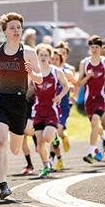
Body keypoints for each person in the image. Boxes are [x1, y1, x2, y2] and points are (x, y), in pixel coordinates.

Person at [0, 12, 42, 199]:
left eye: (19, 27)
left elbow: (40, 79)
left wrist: (31, 72)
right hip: (0, 100)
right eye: (12, 28)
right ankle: (3, 185)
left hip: (19, 102)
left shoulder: (29, 52)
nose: (16, 31)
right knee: (1, 141)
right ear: (5, 32)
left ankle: (21, 141)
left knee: (15, 149)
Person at [77, 35, 105, 164]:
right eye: (92, 47)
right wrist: (88, 76)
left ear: (100, 48)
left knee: (95, 120)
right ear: (89, 48)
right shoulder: (85, 63)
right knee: (95, 125)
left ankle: (91, 152)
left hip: (102, 98)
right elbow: (80, 83)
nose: (94, 49)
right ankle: (104, 135)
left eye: (96, 47)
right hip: (89, 100)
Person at [31, 44, 69, 177]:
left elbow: (66, 86)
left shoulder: (56, 71)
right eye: (40, 55)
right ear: (37, 56)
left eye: (45, 55)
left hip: (52, 110)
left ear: (50, 57)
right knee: (39, 144)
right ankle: (46, 164)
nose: (43, 57)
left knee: (47, 138)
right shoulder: (34, 72)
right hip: (38, 110)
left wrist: (59, 96)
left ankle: (55, 137)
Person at [50, 49, 77, 158]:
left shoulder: (66, 73)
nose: (54, 61)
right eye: (52, 59)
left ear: (61, 61)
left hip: (63, 107)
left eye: (57, 59)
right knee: (55, 133)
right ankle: (58, 157)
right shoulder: (47, 72)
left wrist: (73, 96)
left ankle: (53, 160)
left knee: (56, 130)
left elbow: (76, 84)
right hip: (51, 108)